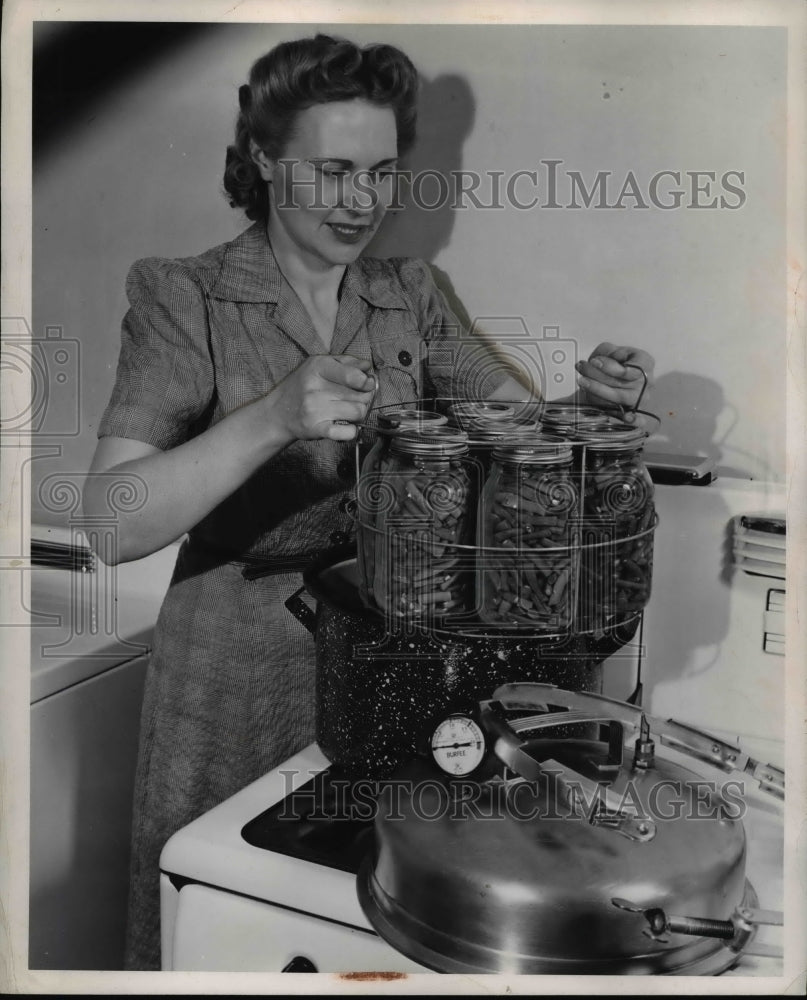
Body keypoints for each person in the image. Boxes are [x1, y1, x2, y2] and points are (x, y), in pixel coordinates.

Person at [83, 33, 655, 970]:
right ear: (265, 161)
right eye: (333, 170)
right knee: (219, 911)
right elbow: (108, 525)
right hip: (233, 668)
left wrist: (586, 409)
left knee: (349, 925)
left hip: (389, 660)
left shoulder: (411, 294)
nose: (362, 200)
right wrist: (273, 414)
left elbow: (513, 428)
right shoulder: (182, 294)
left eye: (382, 172)